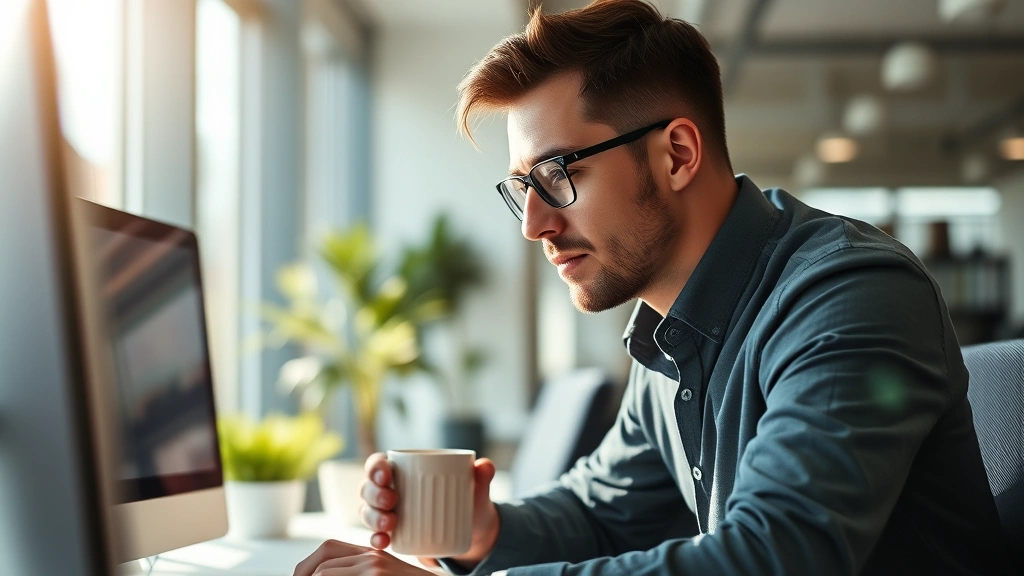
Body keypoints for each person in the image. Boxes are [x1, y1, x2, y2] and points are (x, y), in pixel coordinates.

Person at [294, 1, 1014, 574]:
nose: (534, 224)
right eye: (523, 187)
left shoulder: (849, 293)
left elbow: (777, 556)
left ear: (676, 154)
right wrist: (485, 532)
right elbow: (605, 512)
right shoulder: (669, 332)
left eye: (557, 175)